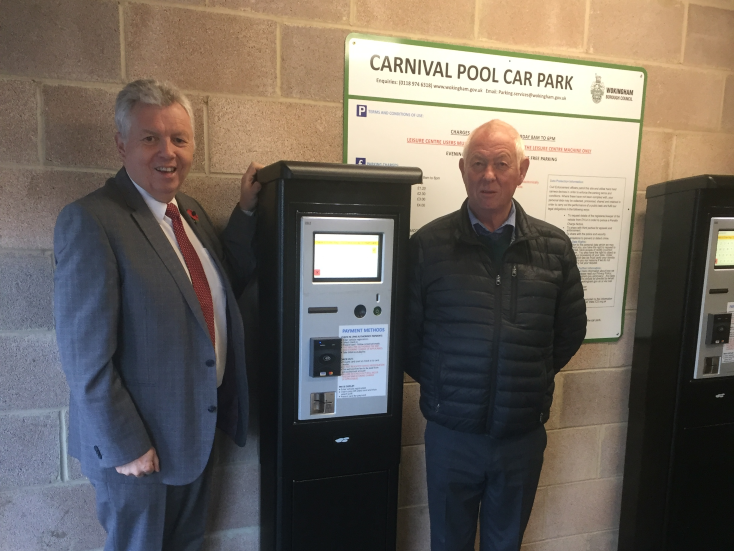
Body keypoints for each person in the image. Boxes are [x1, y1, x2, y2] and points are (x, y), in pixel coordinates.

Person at [53, 79, 263, 550]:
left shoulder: (187, 211)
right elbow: (83, 356)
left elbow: (222, 279)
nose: (167, 152)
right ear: (121, 142)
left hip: (193, 435)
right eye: (150, 137)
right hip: (138, 450)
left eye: (179, 139)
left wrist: (246, 212)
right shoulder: (92, 220)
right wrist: (125, 443)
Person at [405, 119, 586, 551]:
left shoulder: (554, 248)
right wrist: (445, 382)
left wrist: (529, 377)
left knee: (506, 545)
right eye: (479, 163)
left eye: (501, 163)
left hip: (520, 438)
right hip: (452, 436)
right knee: (448, 543)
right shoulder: (428, 245)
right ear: (462, 169)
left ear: (522, 171)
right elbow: (408, 337)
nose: (489, 174)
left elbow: (569, 332)